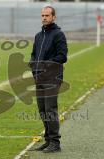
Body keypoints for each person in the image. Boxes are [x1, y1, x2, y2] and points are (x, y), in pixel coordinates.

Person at [29, 6, 68, 153]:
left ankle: (55, 142)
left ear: (53, 17)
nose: (44, 18)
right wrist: (33, 66)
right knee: (42, 110)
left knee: (50, 109)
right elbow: (33, 54)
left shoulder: (59, 35)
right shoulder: (39, 35)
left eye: (47, 15)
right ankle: (48, 140)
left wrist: (45, 65)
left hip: (52, 78)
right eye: (42, 15)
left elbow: (62, 56)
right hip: (39, 78)